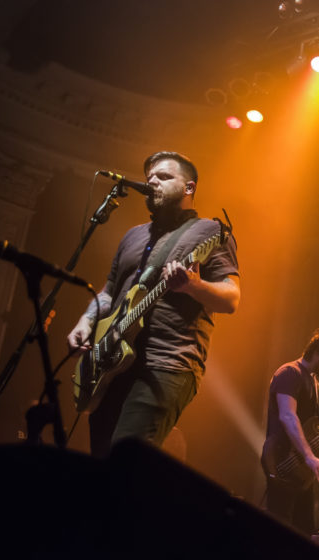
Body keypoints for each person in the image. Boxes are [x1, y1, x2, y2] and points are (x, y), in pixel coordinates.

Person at [67, 151, 240, 457]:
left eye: (164, 176)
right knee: (101, 460)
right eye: (150, 178)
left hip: (167, 362)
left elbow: (231, 298)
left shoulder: (210, 232)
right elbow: (109, 291)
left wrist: (194, 285)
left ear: (189, 187)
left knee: (125, 459)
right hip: (113, 361)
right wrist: (86, 321)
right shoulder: (132, 236)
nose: (153, 182)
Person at [263, 327, 319, 534]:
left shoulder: (316, 384)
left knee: (304, 530)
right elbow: (288, 416)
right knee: (279, 529)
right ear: (316, 354)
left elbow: (309, 429)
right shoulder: (290, 373)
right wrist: (309, 456)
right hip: (282, 461)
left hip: (301, 468)